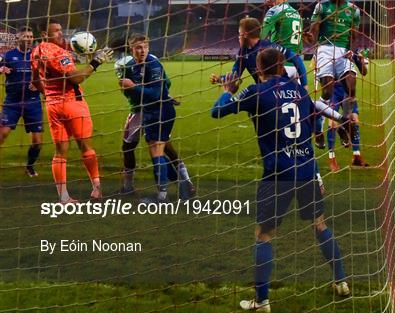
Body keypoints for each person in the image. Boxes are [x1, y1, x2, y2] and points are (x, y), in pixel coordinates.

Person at [211, 48, 350, 313]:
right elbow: (314, 115)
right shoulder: (299, 90)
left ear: (260, 69)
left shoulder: (256, 92)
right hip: (308, 169)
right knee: (320, 225)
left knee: (264, 235)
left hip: (279, 173)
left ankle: (262, 301)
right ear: (282, 66)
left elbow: (217, 112)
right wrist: (341, 120)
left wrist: (229, 90)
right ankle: (341, 282)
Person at [31, 19, 113, 203]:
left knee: (60, 151)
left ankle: (64, 197)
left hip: (52, 106)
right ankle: (97, 189)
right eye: (56, 31)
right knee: (85, 147)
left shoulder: (35, 52)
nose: (61, 33)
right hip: (72, 104)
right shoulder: (57, 52)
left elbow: (35, 81)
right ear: (44, 34)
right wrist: (96, 62)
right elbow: (76, 79)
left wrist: (49, 95)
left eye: (61, 30)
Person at [114, 40, 195, 200]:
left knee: (141, 147)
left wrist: (139, 89)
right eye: (138, 47)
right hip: (149, 109)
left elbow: (131, 92)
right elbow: (167, 83)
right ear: (131, 49)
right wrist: (165, 94)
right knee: (162, 148)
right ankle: (186, 183)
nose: (142, 50)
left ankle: (140, 189)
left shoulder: (146, 64)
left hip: (145, 110)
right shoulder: (139, 63)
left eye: (144, 47)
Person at [305, 0, 368, 137]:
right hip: (325, 49)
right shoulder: (321, 7)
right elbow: (314, 31)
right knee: (327, 91)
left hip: (343, 51)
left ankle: (346, 120)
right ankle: (336, 122)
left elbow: (354, 36)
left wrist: (351, 51)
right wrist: (310, 37)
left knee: (351, 86)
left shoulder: (353, 10)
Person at [209, 17, 308, 89]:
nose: (238, 37)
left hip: (281, 89)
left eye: (239, 34)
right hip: (264, 91)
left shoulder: (269, 47)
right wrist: (220, 79)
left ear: (246, 35)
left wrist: (304, 85)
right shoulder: (243, 52)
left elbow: (296, 59)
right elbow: (236, 75)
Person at [0, 26, 43, 177]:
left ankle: (30, 166)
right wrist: (2, 69)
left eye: (31, 37)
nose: (29, 39)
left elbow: (47, 74)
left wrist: (39, 82)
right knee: (2, 134)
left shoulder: (37, 55)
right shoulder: (9, 55)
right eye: (25, 36)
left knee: (37, 141)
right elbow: (0, 65)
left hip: (33, 102)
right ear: (18, 38)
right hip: (12, 102)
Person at [314, 81, 368, 172]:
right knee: (332, 124)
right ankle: (332, 158)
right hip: (333, 91)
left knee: (354, 120)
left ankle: (356, 155)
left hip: (347, 90)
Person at [261, 0, 303, 80]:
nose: (267, 0)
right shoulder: (296, 13)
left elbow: (260, 36)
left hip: (280, 67)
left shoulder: (275, 10)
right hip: (296, 66)